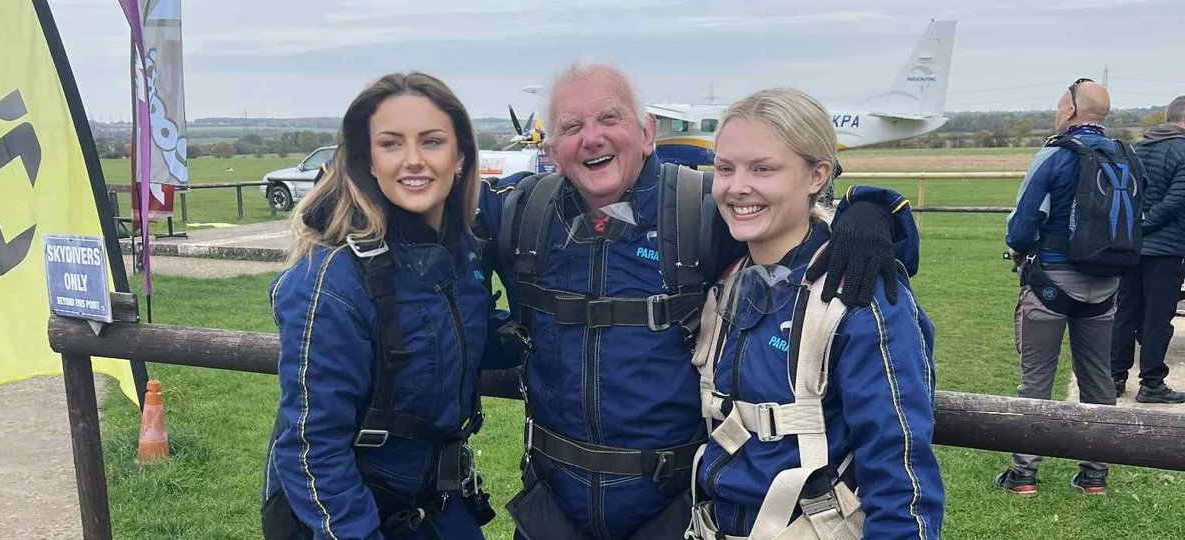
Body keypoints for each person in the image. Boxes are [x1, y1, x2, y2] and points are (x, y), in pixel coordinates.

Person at [478, 63, 912, 540]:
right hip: (551, 513)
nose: (592, 138)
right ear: (551, 148)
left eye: (609, 118)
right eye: (571, 126)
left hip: (675, 516)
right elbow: (435, 201)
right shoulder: (523, 213)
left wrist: (871, 213)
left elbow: (796, 223)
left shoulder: (701, 211)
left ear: (647, 133)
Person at [260, 72, 510, 540]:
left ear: (460, 157)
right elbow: (312, 450)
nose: (413, 159)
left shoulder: (460, 255)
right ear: (369, 161)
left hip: (437, 500)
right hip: (356, 509)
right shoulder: (334, 280)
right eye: (391, 144)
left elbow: (459, 336)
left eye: (431, 141)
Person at [685, 88, 943, 540]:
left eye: (763, 169)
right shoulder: (725, 278)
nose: (737, 186)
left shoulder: (859, 296)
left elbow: (899, 471)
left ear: (817, 175)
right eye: (725, 168)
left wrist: (872, 207)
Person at [998, 79, 1131, 496]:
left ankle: (1024, 475)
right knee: (1098, 380)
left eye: (1059, 105)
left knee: (1036, 381)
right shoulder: (1127, 157)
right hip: (1106, 289)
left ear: (1071, 110)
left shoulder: (1054, 155)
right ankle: (1095, 475)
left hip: (1052, 283)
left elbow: (1021, 226)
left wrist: (1019, 250)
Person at [1110, 95, 1185, 404]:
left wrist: (1136, 227)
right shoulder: (1183, 151)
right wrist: (1147, 225)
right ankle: (1152, 382)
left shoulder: (1137, 149)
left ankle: (1114, 377)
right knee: (1157, 317)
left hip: (1132, 247)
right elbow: (1176, 200)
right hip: (1165, 248)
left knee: (1125, 312)